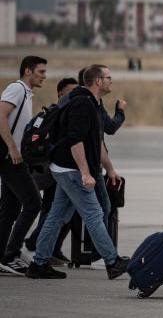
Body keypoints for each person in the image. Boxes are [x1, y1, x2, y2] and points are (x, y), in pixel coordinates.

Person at [26, 65, 129, 280]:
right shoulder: (83, 104)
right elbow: (76, 141)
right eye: (108, 77)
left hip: (66, 168)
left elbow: (96, 139)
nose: (111, 81)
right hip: (71, 170)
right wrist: (85, 173)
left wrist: (109, 169)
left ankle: (39, 263)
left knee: (56, 216)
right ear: (98, 81)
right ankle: (112, 262)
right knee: (94, 214)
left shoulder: (91, 102)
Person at [0, 56, 47, 275]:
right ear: (28, 71)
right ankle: (11, 254)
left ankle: (3, 256)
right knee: (33, 203)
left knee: (9, 210)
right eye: (41, 72)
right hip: (10, 158)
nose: (44, 76)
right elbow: (0, 115)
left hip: (16, 158)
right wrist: (12, 147)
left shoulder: (27, 93)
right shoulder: (16, 89)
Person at [23, 78, 78, 262]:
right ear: (61, 93)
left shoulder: (58, 113)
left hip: (50, 168)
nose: (74, 95)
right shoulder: (58, 114)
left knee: (51, 210)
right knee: (55, 211)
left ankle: (48, 248)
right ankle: (38, 245)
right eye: (70, 92)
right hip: (50, 169)